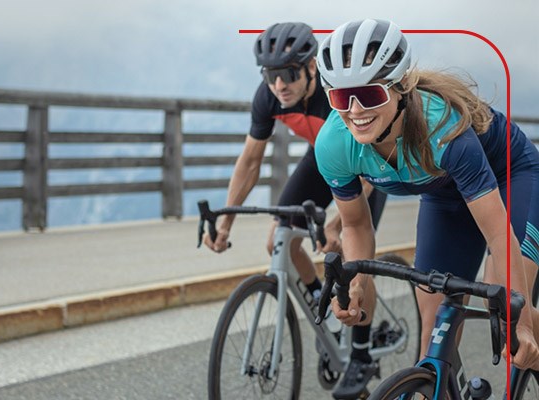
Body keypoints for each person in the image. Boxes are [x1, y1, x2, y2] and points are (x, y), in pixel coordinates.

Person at [314, 18, 539, 396]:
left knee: (507, 313)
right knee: (433, 338)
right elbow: (354, 226)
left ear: (401, 87)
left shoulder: (442, 130)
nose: (355, 111)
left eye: (369, 95)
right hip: (445, 193)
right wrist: (356, 282)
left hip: (509, 174)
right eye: (340, 98)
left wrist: (523, 321)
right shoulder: (334, 144)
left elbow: (499, 234)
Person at [202, 22, 388, 397]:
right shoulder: (269, 96)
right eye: (270, 75)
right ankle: (331, 321)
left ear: (311, 68)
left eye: (288, 74)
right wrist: (226, 222)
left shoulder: (335, 94)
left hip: (366, 160)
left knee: (351, 257)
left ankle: (362, 352)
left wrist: (338, 224)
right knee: (279, 240)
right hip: (323, 157)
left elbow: (369, 168)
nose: (279, 85)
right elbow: (250, 162)